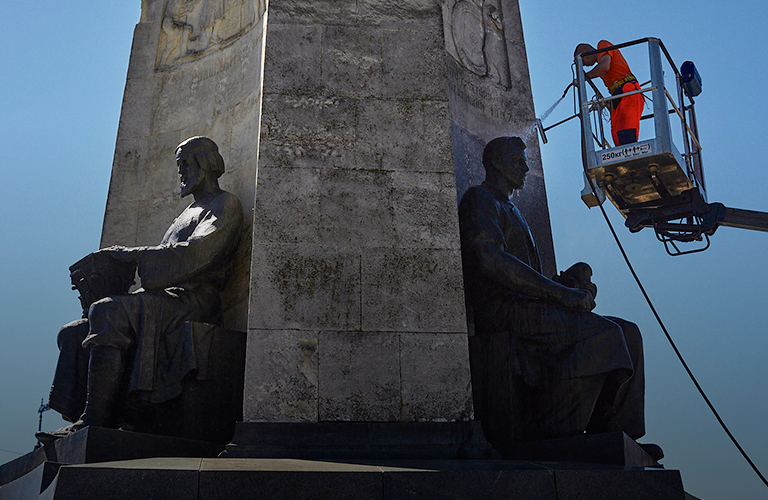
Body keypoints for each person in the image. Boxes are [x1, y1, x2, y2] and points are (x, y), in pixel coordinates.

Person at [459, 137, 659, 458]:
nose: (526, 167)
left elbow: (528, 274)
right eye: (518, 161)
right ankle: (557, 426)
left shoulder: (513, 210)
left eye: (526, 161)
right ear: (496, 163)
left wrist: (568, 283)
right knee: (605, 334)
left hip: (532, 309)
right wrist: (562, 294)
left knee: (630, 333)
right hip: (504, 311)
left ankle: (615, 427)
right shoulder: (480, 199)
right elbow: (489, 258)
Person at [36, 136, 243, 443]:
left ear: (206, 163)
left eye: (186, 163)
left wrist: (132, 255)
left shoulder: (224, 204)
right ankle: (86, 420)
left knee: (106, 311)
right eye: (179, 165)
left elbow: (197, 253)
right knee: (73, 332)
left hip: (194, 300)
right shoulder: (185, 214)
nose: (181, 172)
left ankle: (94, 419)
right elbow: (164, 261)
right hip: (167, 298)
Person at [574, 41, 644, 146]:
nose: (585, 65)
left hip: (628, 90)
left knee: (627, 127)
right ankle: (623, 152)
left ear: (585, 50)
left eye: (583, 61)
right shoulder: (601, 66)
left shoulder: (602, 45)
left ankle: (631, 152)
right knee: (617, 132)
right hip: (617, 94)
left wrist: (582, 78)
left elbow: (604, 67)